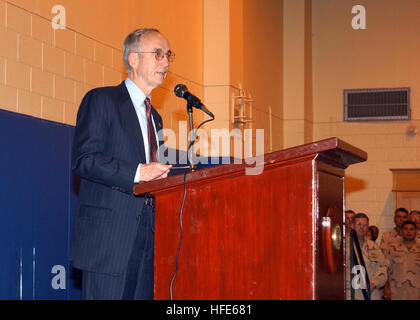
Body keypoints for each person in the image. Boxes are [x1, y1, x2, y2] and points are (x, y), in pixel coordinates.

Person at [70, 28, 173, 299]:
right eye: (158, 54)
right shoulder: (102, 100)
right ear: (133, 59)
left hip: (149, 238)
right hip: (109, 241)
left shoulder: (156, 118)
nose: (166, 62)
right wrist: (139, 172)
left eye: (168, 55)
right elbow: (84, 160)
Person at [349, 213, 388, 300]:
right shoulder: (345, 247)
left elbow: (383, 268)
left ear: (368, 227)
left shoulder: (374, 246)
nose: (362, 227)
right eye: (359, 224)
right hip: (352, 294)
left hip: (372, 294)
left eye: (365, 225)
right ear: (352, 225)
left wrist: (373, 283)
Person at [386, 220, 420, 300]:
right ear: (401, 231)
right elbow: (385, 269)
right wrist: (386, 288)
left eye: (411, 229)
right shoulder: (392, 248)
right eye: (406, 229)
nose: (408, 232)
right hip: (396, 292)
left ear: (416, 232)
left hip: (416, 293)